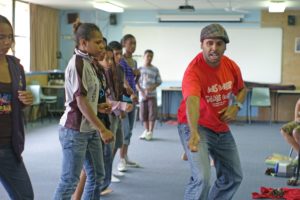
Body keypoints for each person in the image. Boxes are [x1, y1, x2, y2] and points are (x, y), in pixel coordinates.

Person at [177, 23, 246, 200]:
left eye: (218, 44)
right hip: (195, 125)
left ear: (225, 47)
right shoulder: (194, 70)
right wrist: (193, 133)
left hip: (219, 126)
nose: (214, 48)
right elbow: (192, 100)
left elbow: (242, 89)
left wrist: (235, 106)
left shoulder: (231, 66)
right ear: (202, 45)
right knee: (202, 178)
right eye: (209, 43)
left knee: (233, 176)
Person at [53, 21, 114, 200]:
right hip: (74, 131)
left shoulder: (91, 63)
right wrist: (102, 129)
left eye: (102, 41)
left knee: (97, 176)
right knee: (70, 181)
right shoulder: (78, 63)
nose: (102, 45)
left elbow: (87, 99)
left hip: (89, 128)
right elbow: (80, 102)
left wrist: (98, 106)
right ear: (83, 43)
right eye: (97, 42)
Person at [0, 14, 34, 200]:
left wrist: (25, 100)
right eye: (1, 37)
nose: (6, 42)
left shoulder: (15, 66)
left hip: (8, 143)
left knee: (25, 196)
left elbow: (17, 102)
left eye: (9, 37)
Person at [117, 34, 140, 172]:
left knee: (130, 129)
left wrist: (137, 75)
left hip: (133, 98)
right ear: (124, 44)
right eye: (131, 43)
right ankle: (121, 159)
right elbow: (123, 81)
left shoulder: (134, 62)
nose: (133, 45)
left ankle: (125, 156)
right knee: (124, 130)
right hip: (124, 98)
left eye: (135, 43)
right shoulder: (121, 60)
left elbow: (133, 82)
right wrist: (130, 94)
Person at [137, 49, 162, 140]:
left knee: (152, 114)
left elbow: (159, 81)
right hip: (142, 96)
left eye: (151, 56)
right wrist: (142, 92)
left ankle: (150, 132)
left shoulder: (155, 69)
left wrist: (152, 87)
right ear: (144, 57)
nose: (150, 58)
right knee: (143, 114)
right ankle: (146, 131)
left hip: (152, 96)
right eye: (148, 56)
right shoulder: (139, 69)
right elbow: (136, 83)